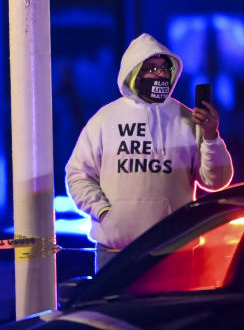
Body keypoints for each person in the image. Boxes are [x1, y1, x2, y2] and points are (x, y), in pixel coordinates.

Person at [65, 33, 234, 271]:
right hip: (115, 252)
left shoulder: (187, 119)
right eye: (151, 69)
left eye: (164, 68)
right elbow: (78, 174)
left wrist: (210, 135)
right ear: (134, 73)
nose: (160, 74)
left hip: (175, 250)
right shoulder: (105, 119)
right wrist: (103, 211)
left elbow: (216, 180)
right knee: (112, 310)